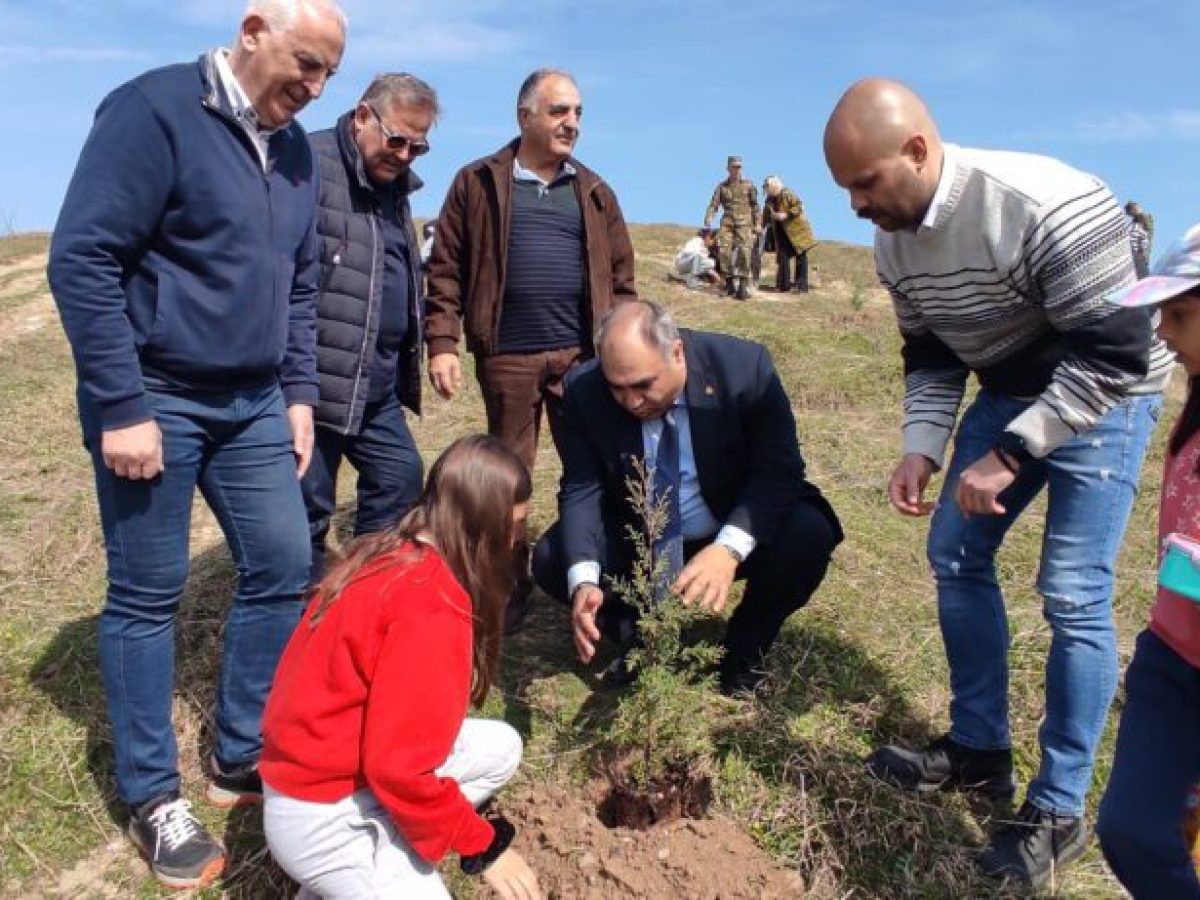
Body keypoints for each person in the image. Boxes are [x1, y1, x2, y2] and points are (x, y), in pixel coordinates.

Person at [823, 78, 1170, 887]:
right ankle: (979, 747)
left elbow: (1116, 353)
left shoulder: (1044, 203)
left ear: (917, 149)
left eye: (866, 184)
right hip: (1012, 387)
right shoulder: (894, 243)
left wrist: (1011, 455)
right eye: (846, 190)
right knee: (954, 552)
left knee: (1072, 591)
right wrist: (923, 445)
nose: (856, 207)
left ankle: (1059, 807)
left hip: (1107, 395)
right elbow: (935, 355)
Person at [46, 0, 345, 888]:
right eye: (305, 61)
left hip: (254, 402)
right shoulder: (154, 109)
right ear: (253, 29)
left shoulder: (293, 151)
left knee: (285, 563)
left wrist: (297, 393)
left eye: (328, 72)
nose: (315, 86)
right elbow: (83, 258)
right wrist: (120, 402)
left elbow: (295, 284)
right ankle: (150, 795)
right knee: (148, 592)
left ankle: (238, 751)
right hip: (157, 396)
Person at [261, 435, 542, 899]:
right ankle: (351, 863)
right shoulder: (430, 604)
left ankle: (376, 860)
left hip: (333, 769)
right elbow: (398, 768)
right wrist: (485, 847)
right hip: (323, 809)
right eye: (513, 525)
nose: (517, 539)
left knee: (501, 746)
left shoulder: (398, 551)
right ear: (481, 525)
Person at [531, 301, 842, 696]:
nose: (631, 402)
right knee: (553, 557)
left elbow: (779, 472)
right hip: (641, 537)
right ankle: (638, 637)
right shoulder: (584, 390)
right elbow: (581, 486)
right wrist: (584, 583)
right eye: (618, 388)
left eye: (644, 385)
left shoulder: (744, 370)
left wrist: (728, 550)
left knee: (808, 533)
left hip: (725, 523)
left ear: (676, 352)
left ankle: (743, 653)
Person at [425, 67, 636, 627]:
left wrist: (616, 349)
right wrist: (442, 341)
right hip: (508, 357)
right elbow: (445, 269)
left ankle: (599, 583)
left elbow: (622, 279)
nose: (572, 123)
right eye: (559, 111)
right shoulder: (478, 183)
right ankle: (507, 591)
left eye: (578, 113)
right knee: (509, 480)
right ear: (525, 117)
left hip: (580, 362)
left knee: (593, 470)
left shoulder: (592, 192)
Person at [1096, 226, 1200, 898]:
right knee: (1132, 828)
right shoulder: (1190, 404)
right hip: (1174, 659)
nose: (1161, 331)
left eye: (1180, 314)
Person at [303, 73, 436, 581]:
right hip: (318, 381)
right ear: (363, 116)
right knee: (307, 507)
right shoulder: (309, 166)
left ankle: (360, 588)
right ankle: (303, 617)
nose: (404, 155)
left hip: (375, 384)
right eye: (396, 139)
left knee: (400, 476)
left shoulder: (394, 189)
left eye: (417, 147)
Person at [703, 155, 761, 300]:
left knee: (744, 252)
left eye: (739, 167)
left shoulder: (748, 185)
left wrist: (758, 224)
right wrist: (709, 217)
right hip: (727, 223)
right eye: (734, 167)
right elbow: (714, 204)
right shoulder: (722, 187)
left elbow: (755, 206)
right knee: (724, 251)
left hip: (745, 224)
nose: (736, 169)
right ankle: (729, 283)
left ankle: (742, 285)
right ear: (728, 168)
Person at [761, 175, 816, 292]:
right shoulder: (769, 200)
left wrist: (786, 214)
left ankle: (801, 286)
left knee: (800, 256)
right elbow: (765, 217)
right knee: (783, 258)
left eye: (767, 187)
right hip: (781, 231)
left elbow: (799, 206)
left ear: (773, 186)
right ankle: (783, 285)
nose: (766, 190)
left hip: (796, 231)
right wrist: (760, 227)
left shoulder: (787, 193)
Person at [1126, 200, 1155, 279]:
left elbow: (1147, 236)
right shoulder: (1133, 225)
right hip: (1136, 257)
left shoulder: (1145, 219)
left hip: (1139, 256)